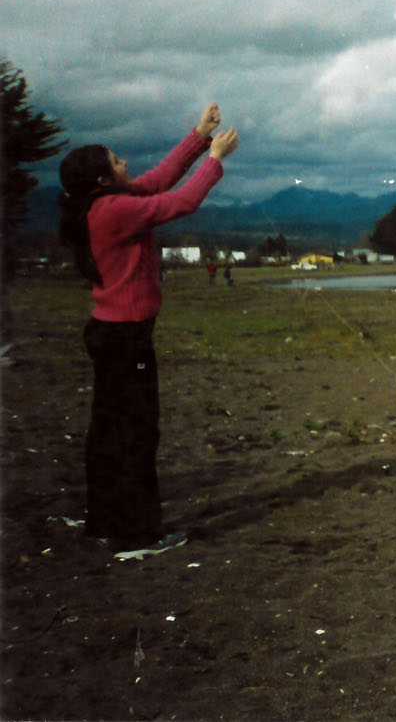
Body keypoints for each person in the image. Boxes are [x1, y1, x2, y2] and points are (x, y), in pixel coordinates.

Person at [57, 104, 240, 557]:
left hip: (110, 333)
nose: (125, 164)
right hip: (127, 339)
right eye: (117, 161)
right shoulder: (113, 209)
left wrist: (199, 136)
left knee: (108, 431)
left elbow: (159, 180)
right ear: (102, 180)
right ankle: (138, 534)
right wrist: (214, 160)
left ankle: (104, 521)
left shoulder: (103, 203)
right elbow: (180, 201)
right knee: (137, 433)